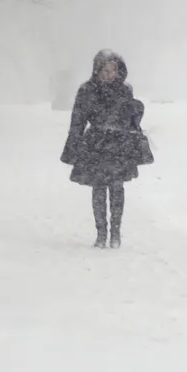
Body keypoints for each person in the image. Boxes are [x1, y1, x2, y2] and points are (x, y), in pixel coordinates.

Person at [60, 50, 153, 248]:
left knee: (118, 187)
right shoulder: (87, 90)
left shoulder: (124, 90)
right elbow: (77, 120)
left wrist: (136, 112)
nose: (110, 74)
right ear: (97, 70)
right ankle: (101, 233)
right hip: (97, 145)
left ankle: (116, 233)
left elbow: (129, 119)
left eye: (114, 70)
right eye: (106, 70)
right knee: (99, 188)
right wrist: (72, 146)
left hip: (120, 144)